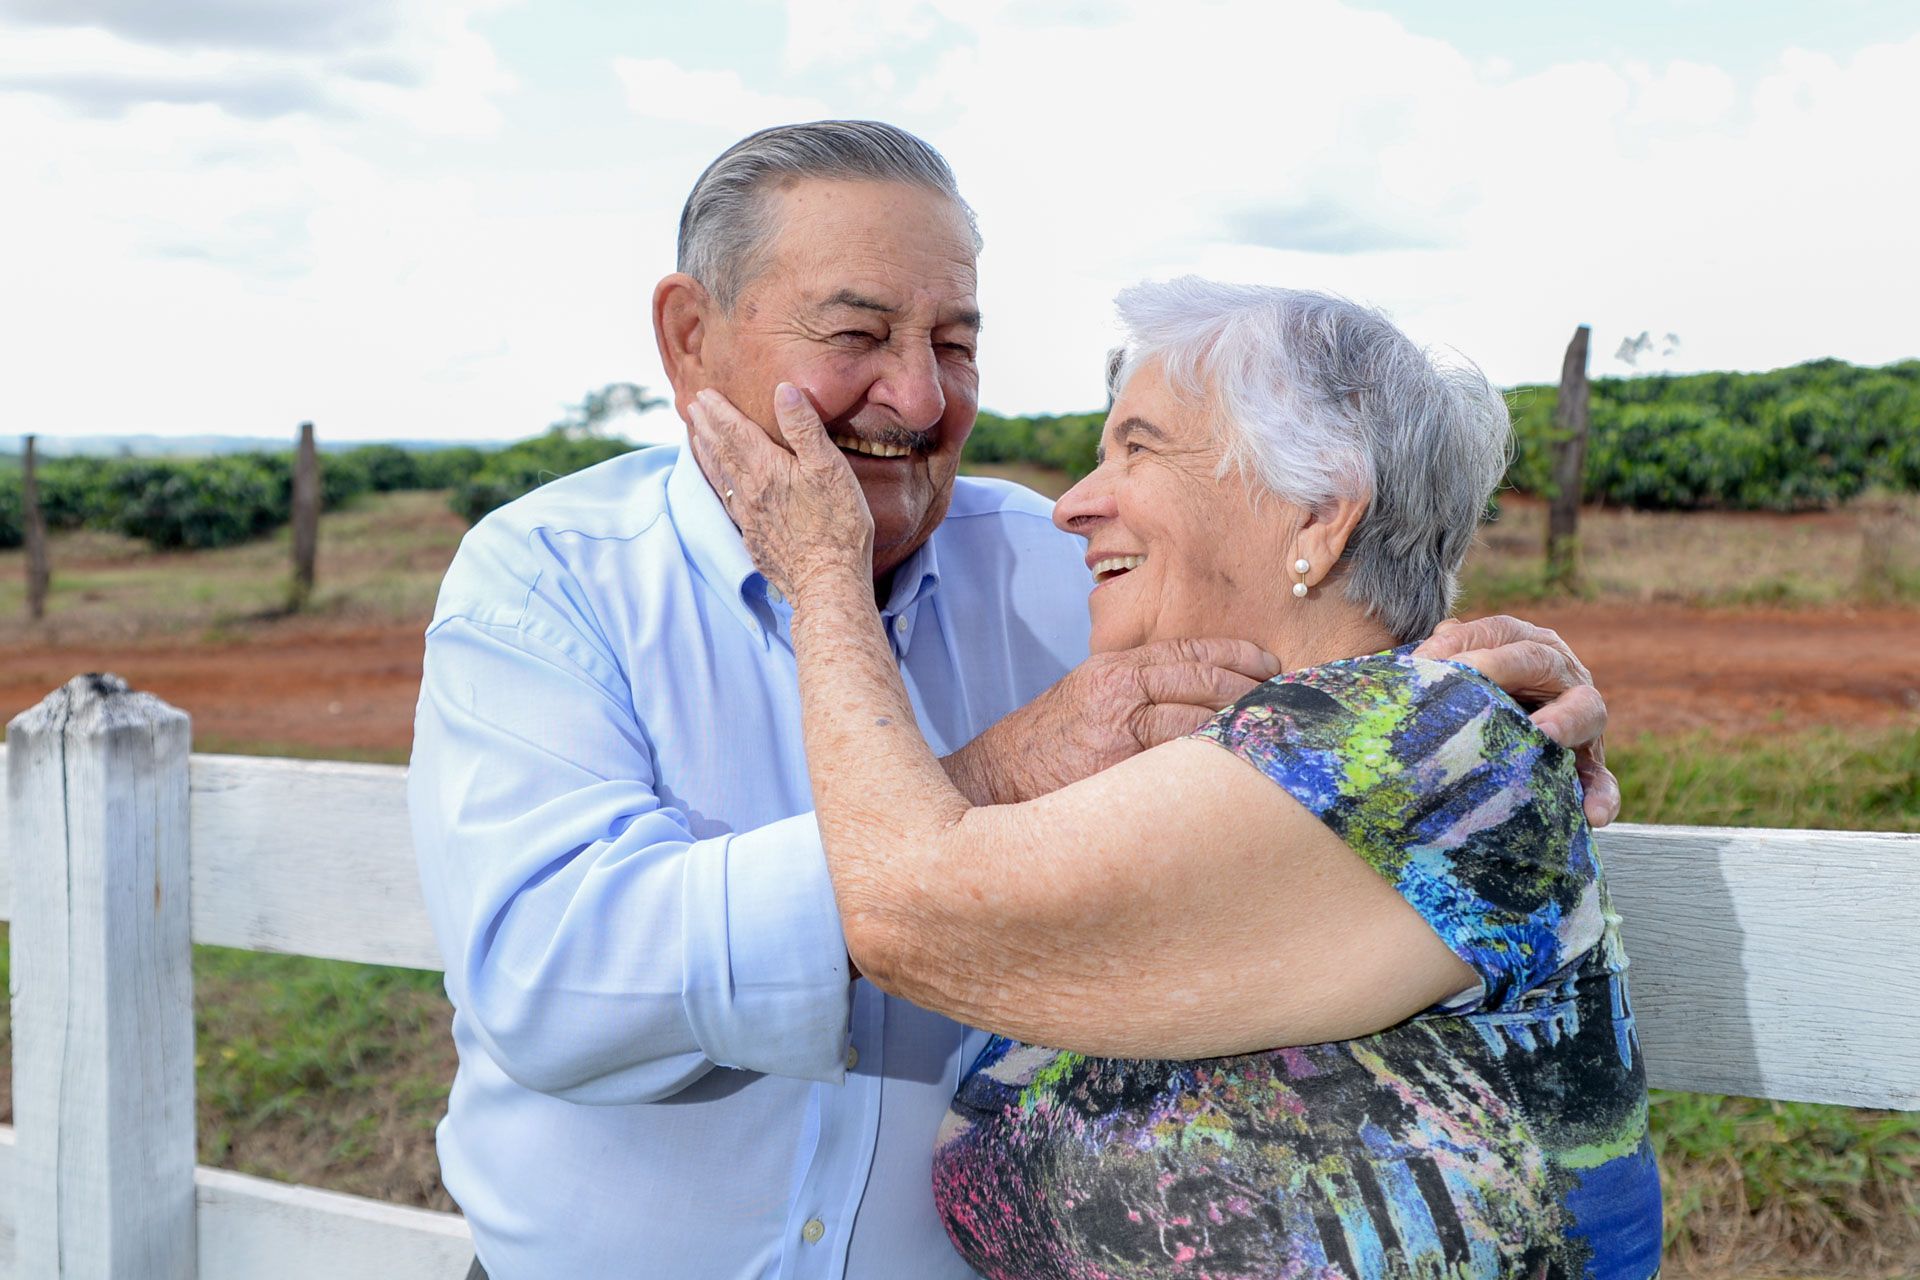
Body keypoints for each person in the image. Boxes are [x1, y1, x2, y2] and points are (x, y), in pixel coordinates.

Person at [409, 122, 1621, 1280]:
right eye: (858, 333)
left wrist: (1490, 676)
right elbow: (550, 979)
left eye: (953, 340)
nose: (921, 397)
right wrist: (994, 777)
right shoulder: (545, 582)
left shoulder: (1067, 573)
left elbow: (1334, 651)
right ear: (690, 338)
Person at [685, 276, 1662, 1279]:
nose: (1071, 503)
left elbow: (902, 909)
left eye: (1138, 445)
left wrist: (820, 572)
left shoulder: (1424, 739)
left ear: (1321, 515)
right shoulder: (1301, 747)